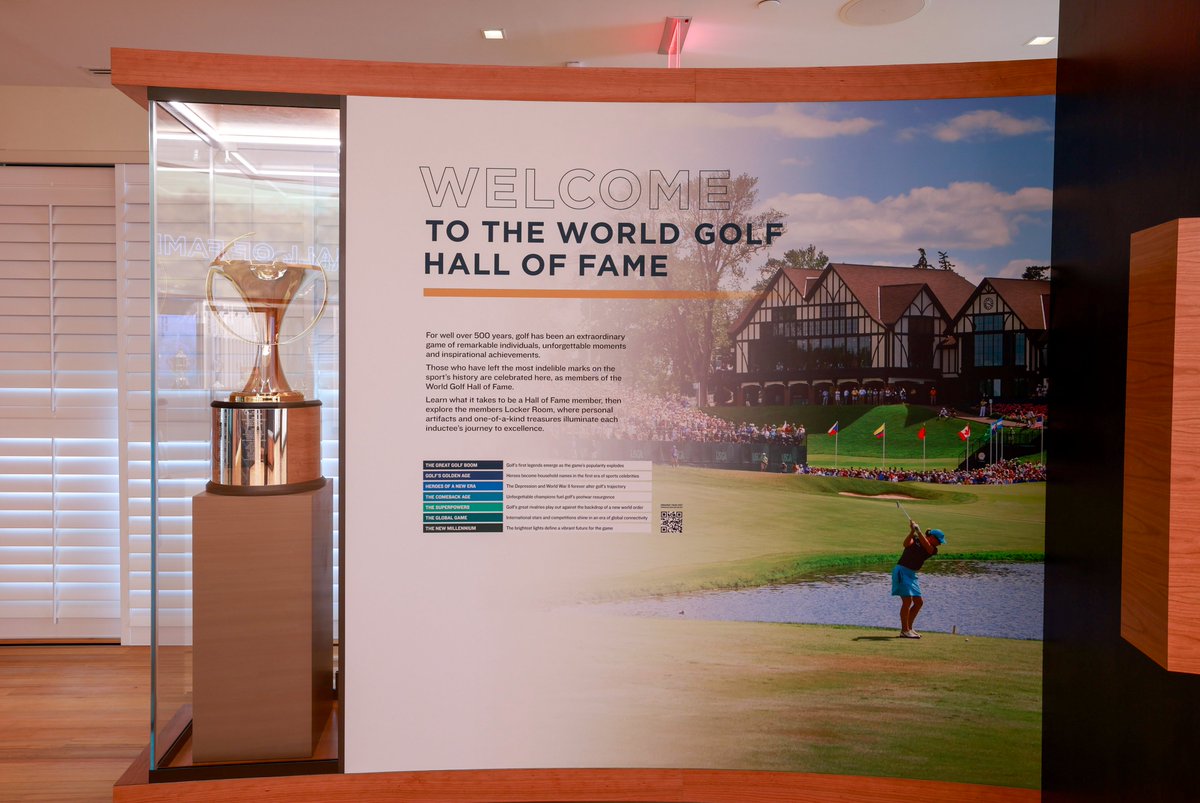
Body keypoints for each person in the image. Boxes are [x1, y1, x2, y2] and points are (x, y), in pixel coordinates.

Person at [891, 519, 947, 639]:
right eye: (939, 541)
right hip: (902, 571)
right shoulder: (916, 539)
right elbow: (906, 544)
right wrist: (912, 531)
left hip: (912, 575)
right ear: (932, 537)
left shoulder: (933, 549)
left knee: (918, 602)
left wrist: (919, 531)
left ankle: (909, 629)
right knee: (907, 601)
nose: (940, 544)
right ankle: (905, 631)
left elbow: (927, 546)